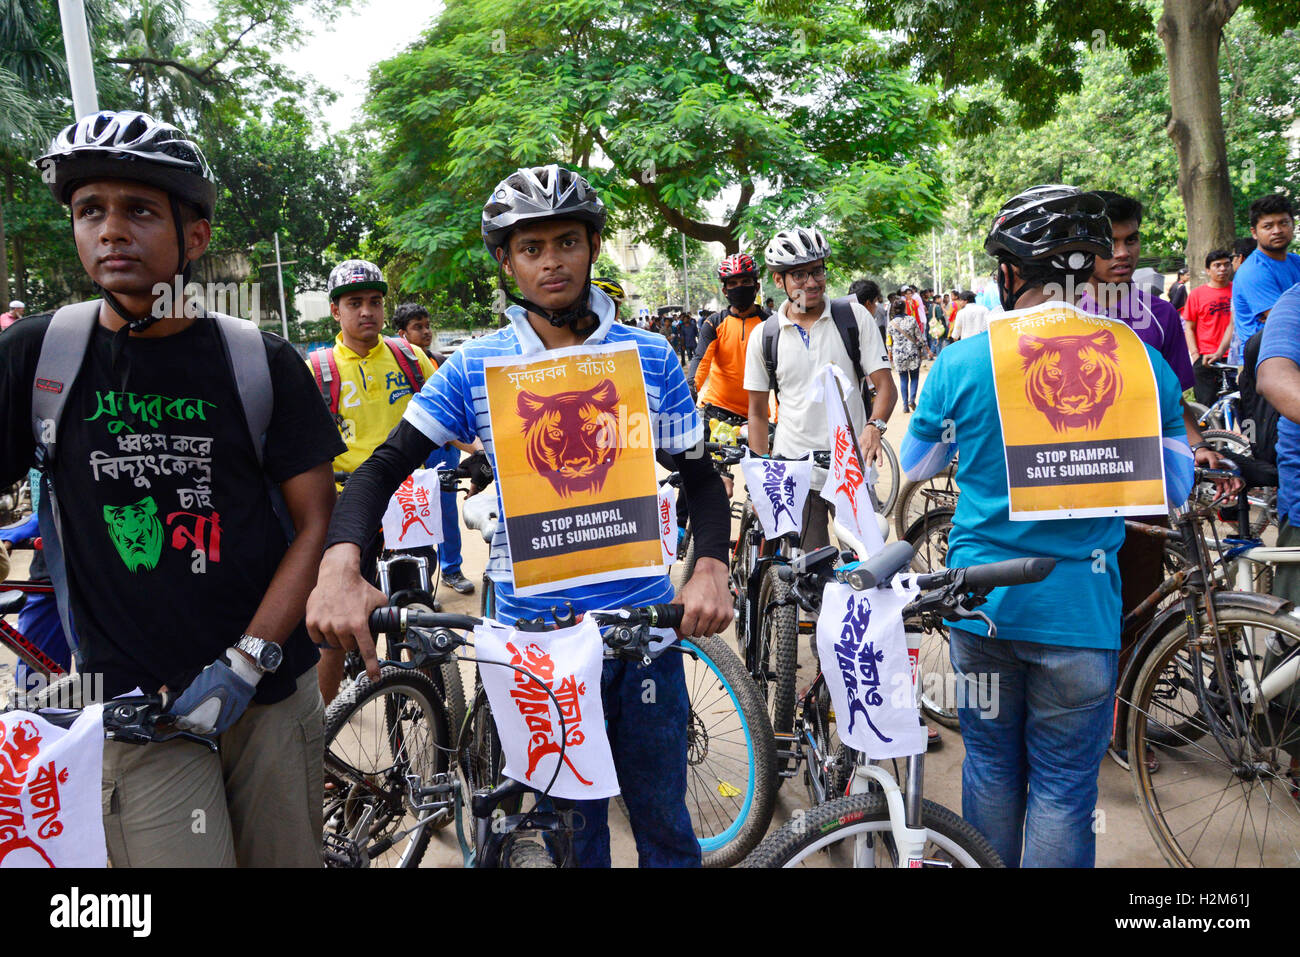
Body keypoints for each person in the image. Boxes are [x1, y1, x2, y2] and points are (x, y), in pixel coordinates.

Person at [306, 164, 732, 868]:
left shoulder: (649, 357)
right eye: (530, 248)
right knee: (570, 836)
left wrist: (711, 566)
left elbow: (698, 475)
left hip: (643, 633)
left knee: (663, 821)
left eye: (567, 241)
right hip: (538, 643)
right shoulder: (477, 366)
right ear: (505, 261)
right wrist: (341, 561)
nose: (551, 261)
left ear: (593, 246)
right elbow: (383, 465)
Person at [1, 109, 342, 866]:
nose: (111, 230)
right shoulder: (37, 355)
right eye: (91, 210)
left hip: (268, 693)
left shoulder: (258, 359)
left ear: (194, 238)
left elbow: (316, 524)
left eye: (140, 210)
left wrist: (248, 661)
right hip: (131, 709)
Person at [900, 185, 1194, 867]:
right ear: (1088, 265)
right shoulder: (1140, 361)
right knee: (1065, 789)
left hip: (981, 609)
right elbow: (1172, 488)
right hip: (1082, 613)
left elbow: (918, 462)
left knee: (991, 769)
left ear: (1012, 270)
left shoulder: (963, 361)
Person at [308, 261, 438, 704]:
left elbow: (445, 415)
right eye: (355, 302)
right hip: (350, 508)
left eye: (375, 302)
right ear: (335, 311)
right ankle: (321, 741)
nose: (367, 311)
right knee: (334, 631)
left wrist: (477, 453)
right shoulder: (318, 369)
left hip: (413, 500)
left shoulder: (410, 357)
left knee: (419, 603)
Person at [742, 226, 896, 549]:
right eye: (798, 275)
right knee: (811, 580)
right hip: (796, 476)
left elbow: (885, 387)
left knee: (867, 569)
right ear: (778, 280)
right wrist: (758, 479)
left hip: (851, 472)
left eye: (817, 271)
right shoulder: (765, 336)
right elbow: (756, 413)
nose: (811, 282)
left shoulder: (853, 317)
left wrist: (874, 426)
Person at [392, 301, 478, 598]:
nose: (426, 332)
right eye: (418, 328)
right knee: (414, 517)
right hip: (416, 451)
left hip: (445, 451)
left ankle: (452, 570)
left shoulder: (441, 362)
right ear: (402, 334)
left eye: (428, 326)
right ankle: (420, 585)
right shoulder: (397, 368)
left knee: (445, 513)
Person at [691, 253, 770, 429]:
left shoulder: (770, 324)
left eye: (745, 282)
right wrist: (689, 392)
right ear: (725, 291)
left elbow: (783, 376)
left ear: (756, 286)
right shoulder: (714, 323)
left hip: (756, 416)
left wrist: (781, 421)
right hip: (716, 410)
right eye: (733, 283)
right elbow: (701, 361)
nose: (739, 287)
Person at [1232, 193, 1300, 356]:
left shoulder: (1295, 261)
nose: (1277, 231)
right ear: (1254, 232)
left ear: (1293, 225)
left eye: (1283, 223)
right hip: (1265, 361)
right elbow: (1286, 321)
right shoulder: (1253, 271)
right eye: (1268, 226)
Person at [1182, 249, 1235, 407]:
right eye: (1217, 265)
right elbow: (1189, 327)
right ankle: (1210, 432)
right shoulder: (1197, 294)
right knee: (1207, 406)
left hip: (1233, 357)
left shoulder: (1238, 289)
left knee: (1239, 404)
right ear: (1207, 270)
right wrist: (1195, 354)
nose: (1222, 269)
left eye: (1226, 265)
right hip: (1206, 358)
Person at [888, 297, 927, 413]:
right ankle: (912, 400)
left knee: (903, 379)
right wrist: (922, 347)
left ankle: (905, 405)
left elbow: (889, 341)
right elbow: (919, 337)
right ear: (904, 308)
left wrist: (889, 353)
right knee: (914, 377)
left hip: (898, 355)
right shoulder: (911, 320)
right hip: (912, 353)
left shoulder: (891, 324)